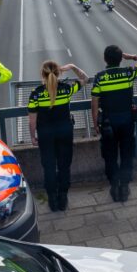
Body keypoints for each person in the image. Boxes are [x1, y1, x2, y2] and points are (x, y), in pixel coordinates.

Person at [91, 45, 137, 203]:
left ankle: (114, 186)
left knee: (110, 155)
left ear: (105, 59)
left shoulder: (100, 77)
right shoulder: (128, 73)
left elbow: (94, 103)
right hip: (127, 121)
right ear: (120, 59)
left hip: (108, 123)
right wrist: (131, 56)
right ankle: (125, 187)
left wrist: (95, 123)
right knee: (126, 154)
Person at [27, 61, 89, 212]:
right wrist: (73, 67)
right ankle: (63, 197)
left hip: (45, 134)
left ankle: (52, 200)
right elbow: (85, 79)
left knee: (48, 167)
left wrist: (33, 137)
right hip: (65, 132)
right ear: (59, 72)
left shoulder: (36, 93)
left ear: (42, 74)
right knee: (64, 166)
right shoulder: (66, 89)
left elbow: (32, 119)